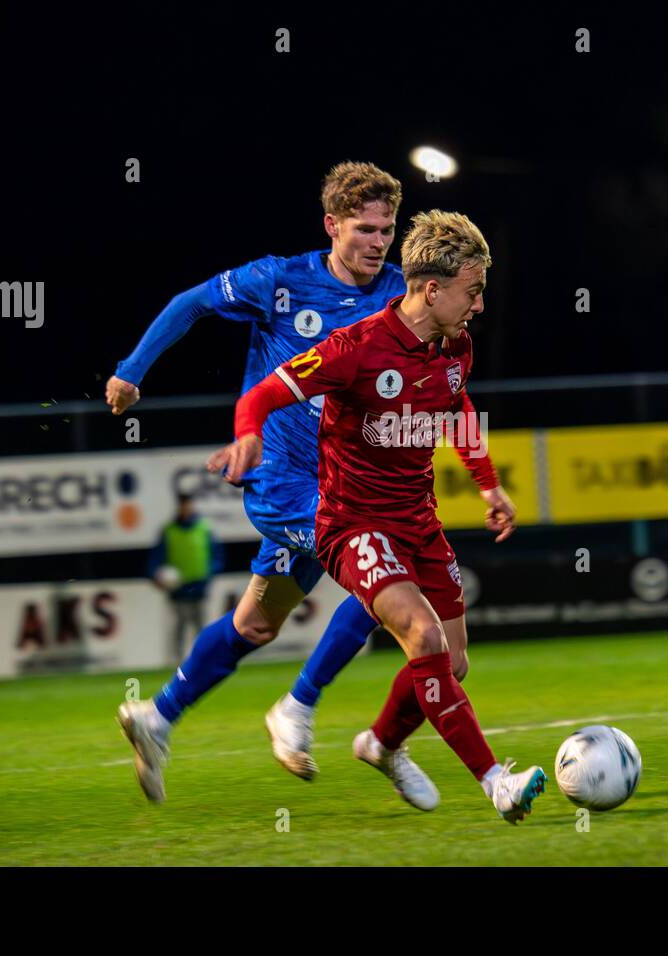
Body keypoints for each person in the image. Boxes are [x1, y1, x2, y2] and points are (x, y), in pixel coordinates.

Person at [113, 162, 482, 804]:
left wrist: (478, 466)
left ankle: (158, 715)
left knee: (257, 624)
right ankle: (300, 707)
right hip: (286, 485)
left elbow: (448, 382)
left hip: (346, 483)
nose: (377, 242)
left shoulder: (403, 293)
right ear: (332, 225)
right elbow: (191, 303)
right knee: (384, 578)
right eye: (364, 229)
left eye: (387, 229)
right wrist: (132, 371)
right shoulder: (278, 280)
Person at [213, 209, 547, 823]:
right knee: (422, 637)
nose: (478, 306)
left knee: (453, 661)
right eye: (472, 292)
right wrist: (247, 435)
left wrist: (488, 484)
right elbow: (261, 394)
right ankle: (497, 780)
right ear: (431, 289)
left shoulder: (456, 346)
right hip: (351, 524)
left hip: (418, 520)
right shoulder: (356, 348)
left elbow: (457, 408)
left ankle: (381, 744)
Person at [147, 493, 224, 662]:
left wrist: (208, 575)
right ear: (179, 507)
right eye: (183, 505)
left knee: (202, 631)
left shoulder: (204, 528)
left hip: (200, 589)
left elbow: (217, 557)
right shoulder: (168, 531)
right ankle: (177, 664)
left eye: (188, 504)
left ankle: (205, 662)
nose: (186, 508)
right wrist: (156, 576)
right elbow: (156, 559)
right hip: (178, 591)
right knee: (178, 631)